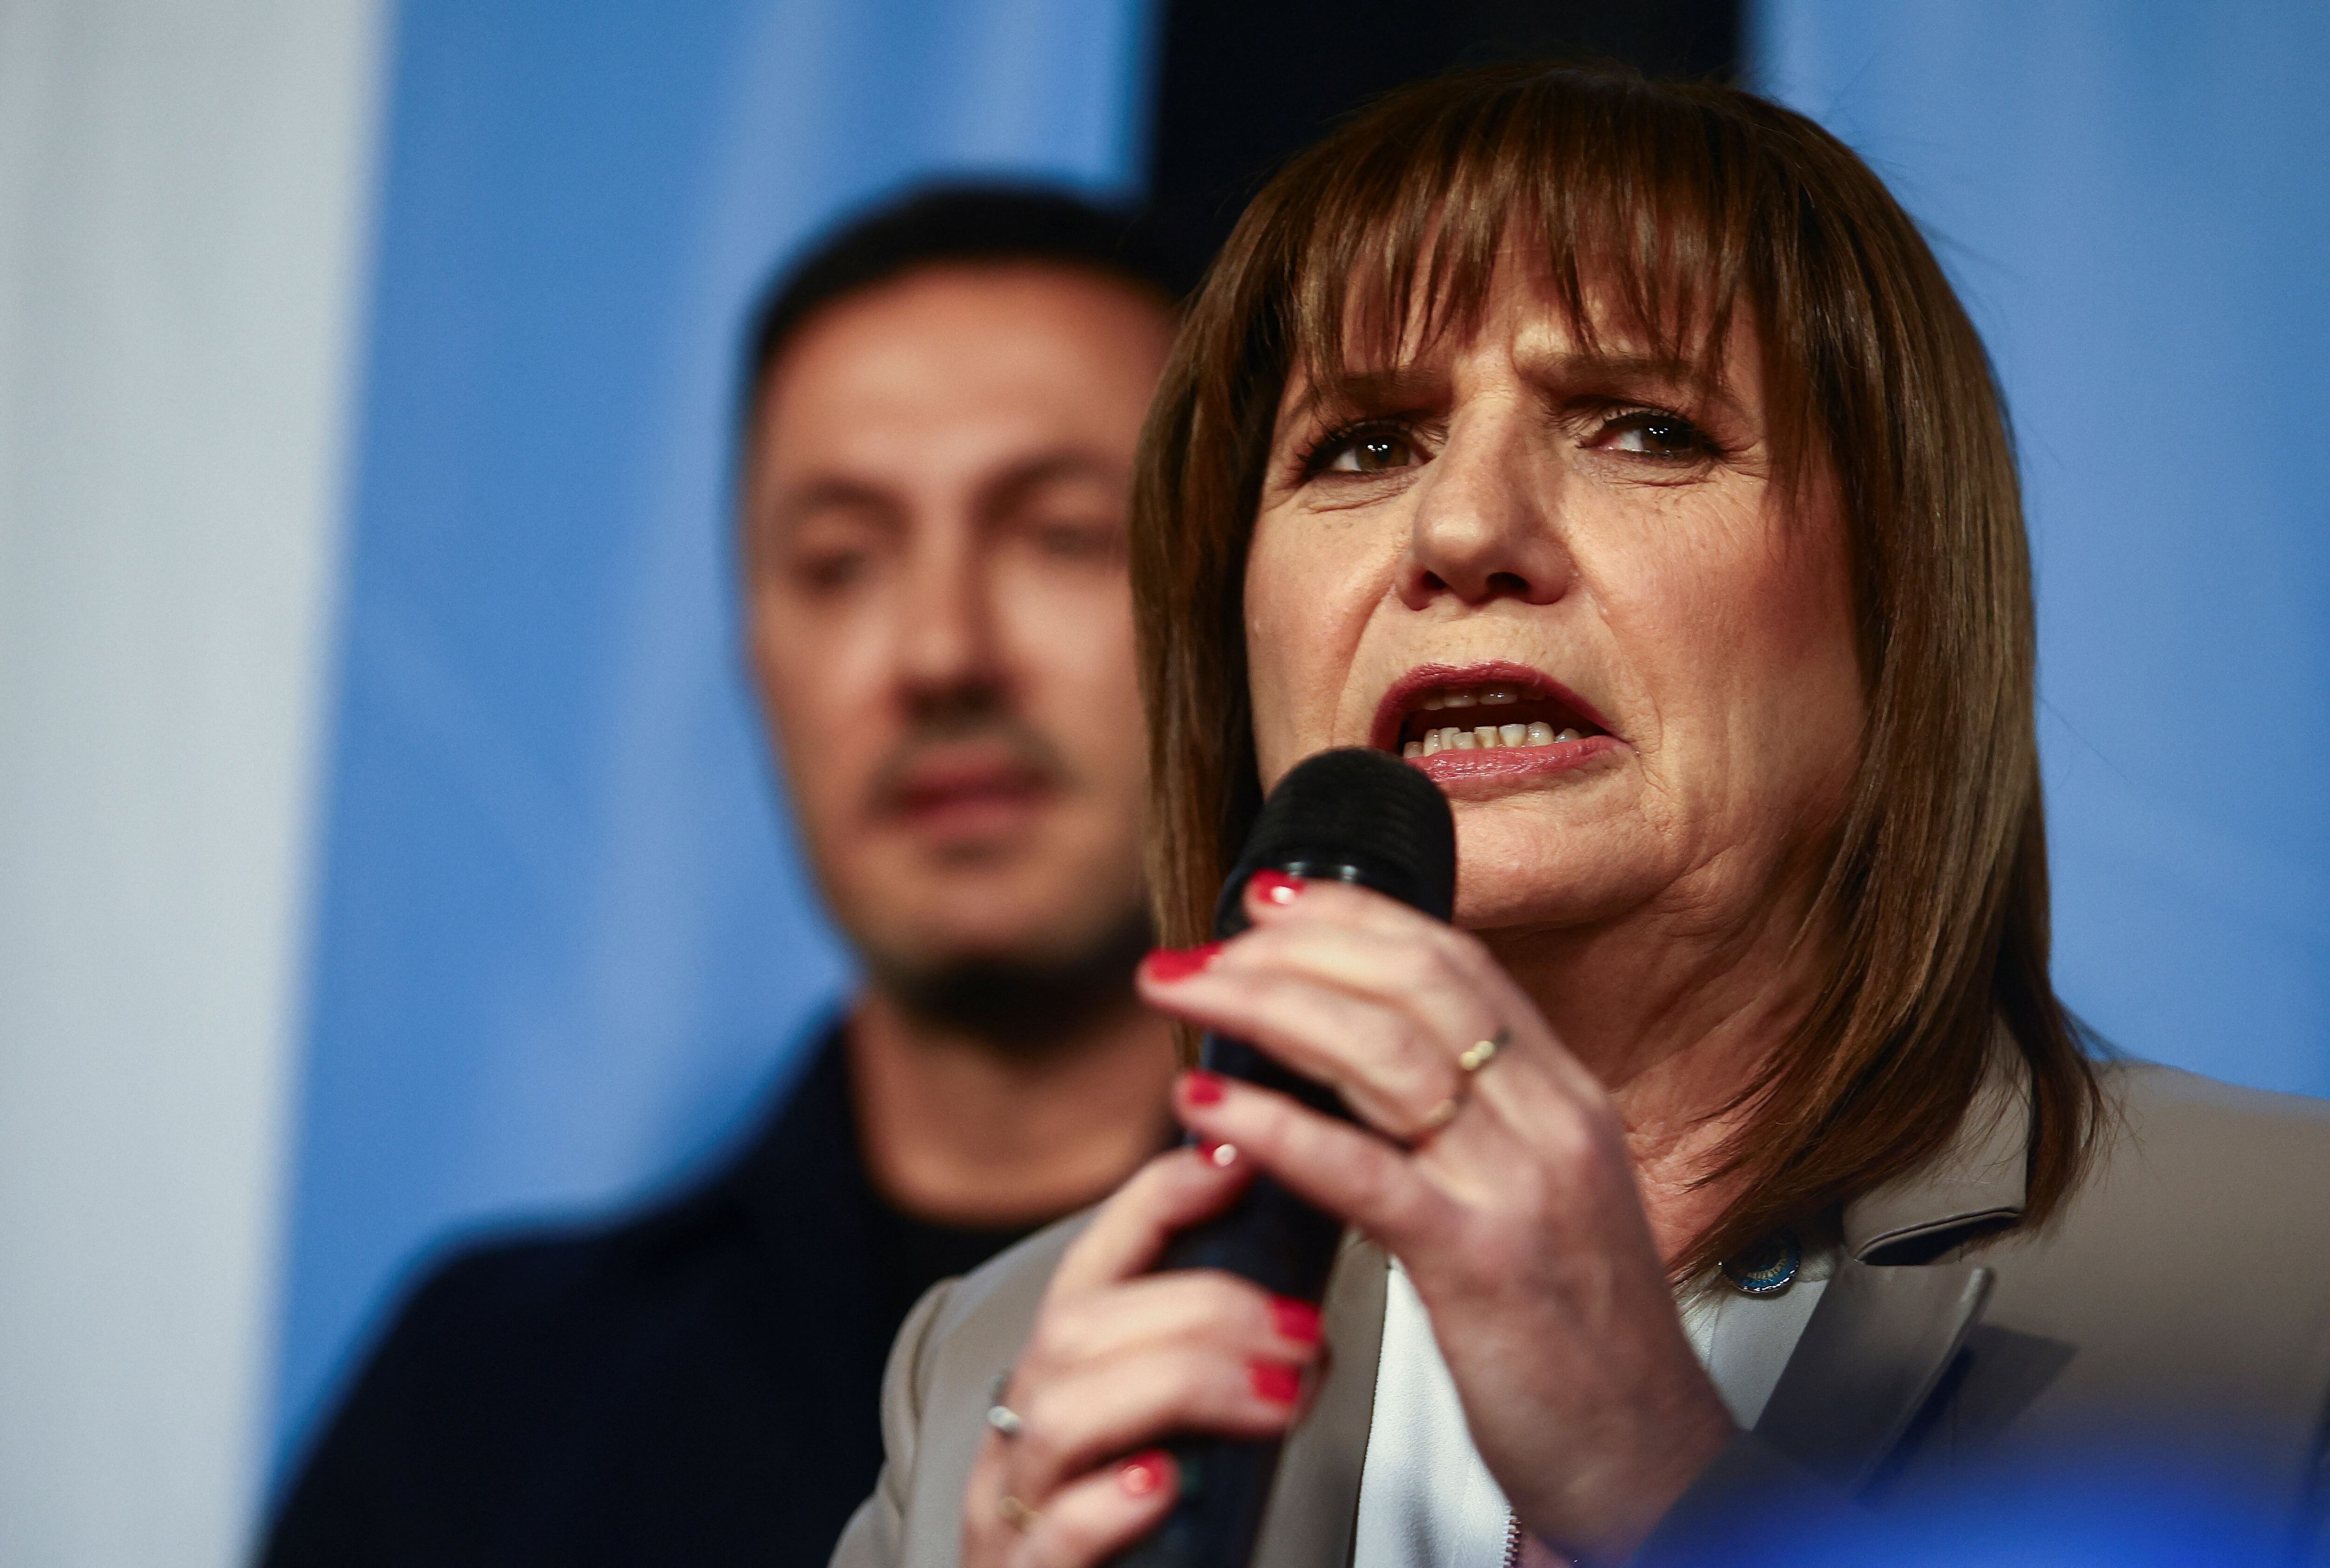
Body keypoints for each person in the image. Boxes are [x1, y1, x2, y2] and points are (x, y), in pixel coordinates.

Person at [829, 68, 2330, 1568]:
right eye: (1363, 446)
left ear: (1902, 604)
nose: (1466, 529)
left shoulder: (2282, 1286)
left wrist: (1664, 1484)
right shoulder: (994, 1374)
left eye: (1643, 427)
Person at [263, 186, 1186, 1568]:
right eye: (840, 563)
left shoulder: (1452, 1358)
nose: (940, 651)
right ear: (756, 653)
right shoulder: (485, 1405)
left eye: (1060, 535)